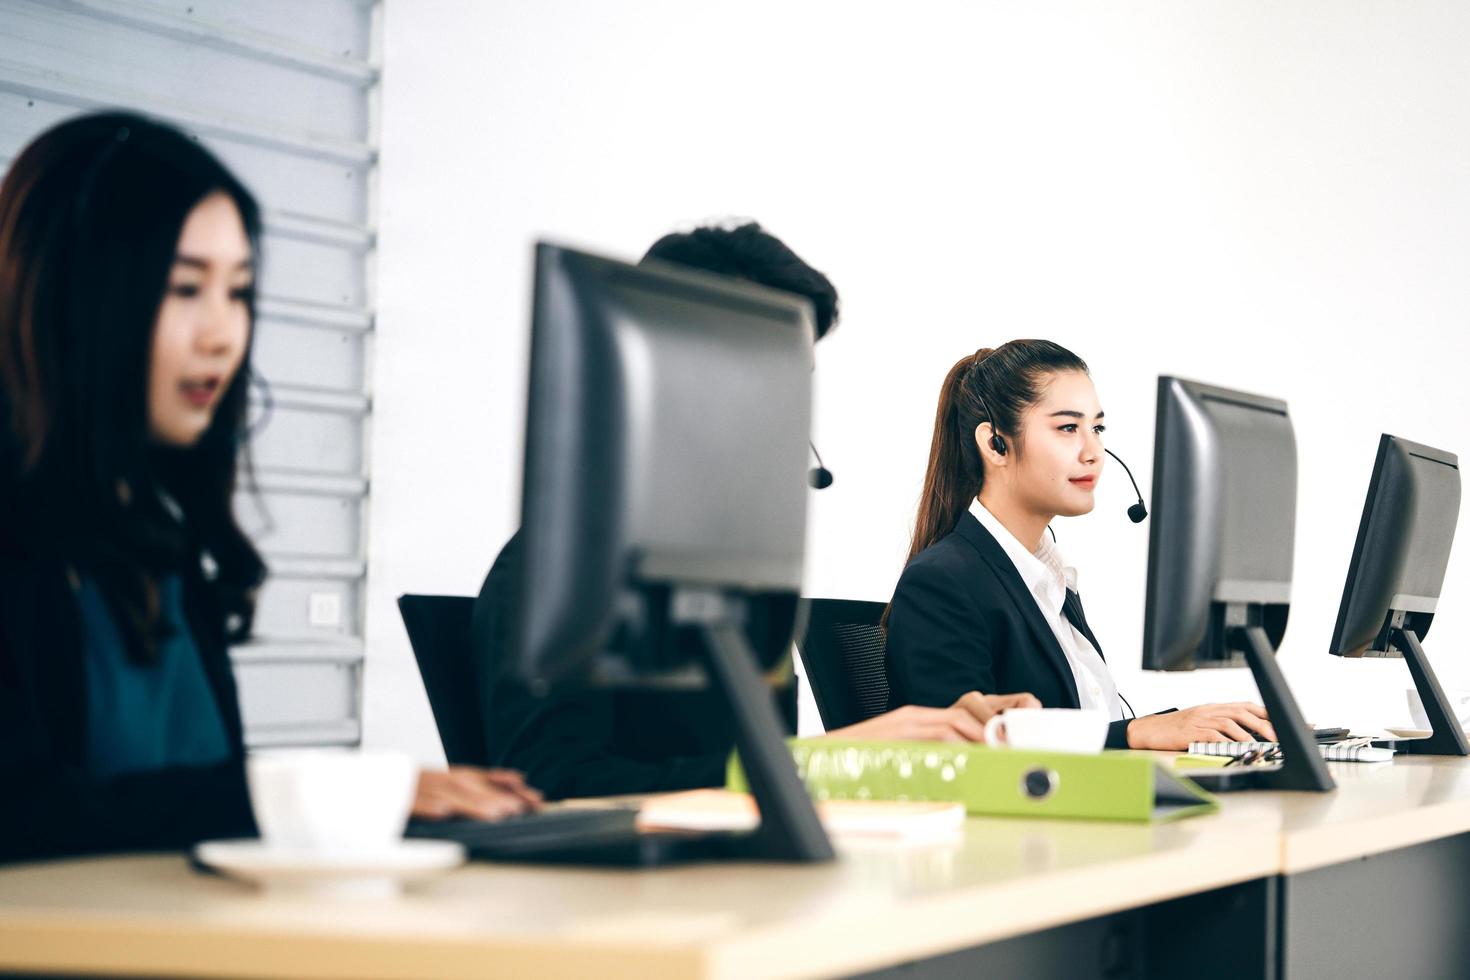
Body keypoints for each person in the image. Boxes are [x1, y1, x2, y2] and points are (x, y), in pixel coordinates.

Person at [0, 112, 538, 864]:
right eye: (186, 288)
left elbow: (183, 813)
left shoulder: (158, 533)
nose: (222, 332)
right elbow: (26, 818)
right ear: (72, 294)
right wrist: (324, 796)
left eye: (240, 292)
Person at [474, 223, 1037, 800]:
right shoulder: (555, 568)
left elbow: (747, 778)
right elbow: (552, 789)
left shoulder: (736, 575)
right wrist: (838, 758)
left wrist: (931, 739)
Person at [883, 340, 1277, 751]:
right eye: (1068, 428)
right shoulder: (942, 583)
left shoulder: (1047, 578)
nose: (1094, 453)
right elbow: (963, 755)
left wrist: (1181, 729)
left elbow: (1081, 730)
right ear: (995, 444)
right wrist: (1134, 733)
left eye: (1098, 428)